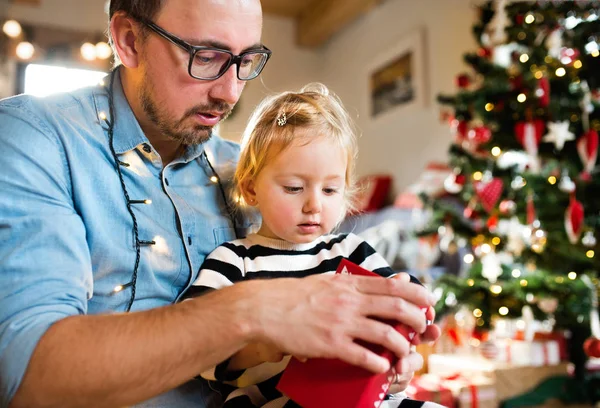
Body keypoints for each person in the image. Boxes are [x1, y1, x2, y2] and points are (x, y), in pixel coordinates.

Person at [0, 0, 440, 407]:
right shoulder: (34, 138)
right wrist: (254, 310)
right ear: (129, 40)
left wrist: (379, 352)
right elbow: (23, 374)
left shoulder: (247, 170)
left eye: (245, 61)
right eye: (206, 58)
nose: (230, 93)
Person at [187, 83, 437, 408]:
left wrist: (408, 306)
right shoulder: (235, 261)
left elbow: (398, 300)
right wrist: (266, 345)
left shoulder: (350, 250)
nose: (313, 205)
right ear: (250, 189)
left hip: (357, 394)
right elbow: (197, 346)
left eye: (331, 190)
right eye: (294, 188)